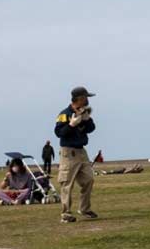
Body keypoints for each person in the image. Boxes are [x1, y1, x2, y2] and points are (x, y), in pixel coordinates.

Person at [54, 86, 98, 223]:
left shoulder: (83, 111)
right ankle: (65, 214)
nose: (87, 100)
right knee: (67, 183)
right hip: (69, 152)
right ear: (79, 98)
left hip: (81, 152)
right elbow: (59, 133)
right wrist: (71, 125)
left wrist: (86, 119)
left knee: (89, 179)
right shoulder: (64, 114)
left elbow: (91, 129)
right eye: (85, 97)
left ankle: (84, 209)